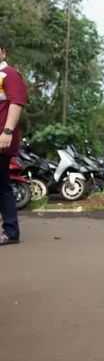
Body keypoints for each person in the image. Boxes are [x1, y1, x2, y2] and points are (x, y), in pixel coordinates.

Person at [0, 40, 28, 246]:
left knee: (2, 186)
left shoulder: (8, 74)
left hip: (2, 139)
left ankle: (10, 232)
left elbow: (16, 102)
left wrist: (7, 131)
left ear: (2, 52)